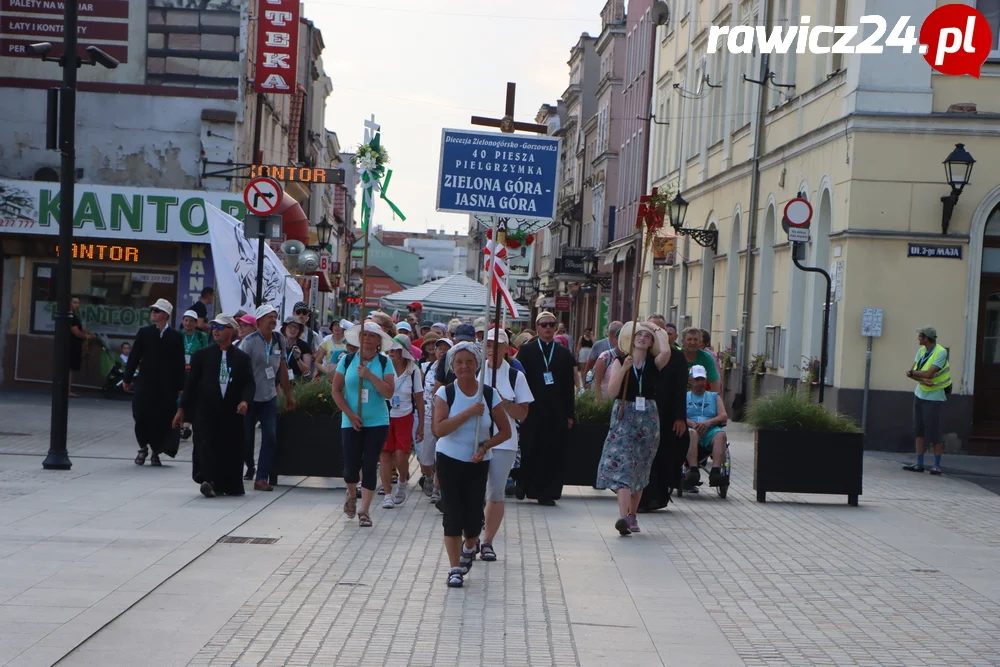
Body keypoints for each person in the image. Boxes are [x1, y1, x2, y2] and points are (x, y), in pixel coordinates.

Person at [432, 342, 511, 588]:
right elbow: (439, 429)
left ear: (477, 365)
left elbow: (505, 431)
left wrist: (485, 446)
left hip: (478, 462)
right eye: (459, 362)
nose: (464, 366)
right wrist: (467, 413)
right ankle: (454, 567)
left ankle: (470, 546)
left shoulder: (488, 394)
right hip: (449, 459)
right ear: (452, 367)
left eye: (469, 362)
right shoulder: (446, 393)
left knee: (474, 519)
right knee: (453, 514)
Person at [596, 322, 672, 535]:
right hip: (624, 414)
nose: (642, 338)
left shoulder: (654, 363)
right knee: (623, 468)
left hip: (647, 417)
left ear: (651, 343)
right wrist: (625, 369)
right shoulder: (621, 361)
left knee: (640, 469)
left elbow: (666, 350)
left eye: (647, 337)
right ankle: (623, 516)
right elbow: (611, 393)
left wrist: (655, 329)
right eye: (639, 335)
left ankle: (632, 515)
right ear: (631, 339)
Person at [173, 314, 254, 498]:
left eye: (220, 327)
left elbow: (249, 383)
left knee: (229, 447)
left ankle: (224, 484)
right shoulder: (202, 356)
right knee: (205, 445)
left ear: (231, 331)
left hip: (230, 413)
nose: (216, 331)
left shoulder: (241, 358)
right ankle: (208, 480)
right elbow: (191, 385)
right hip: (206, 411)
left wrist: (245, 401)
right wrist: (182, 410)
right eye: (214, 327)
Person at [331, 322, 396, 527]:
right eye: (364, 335)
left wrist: (369, 375)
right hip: (351, 421)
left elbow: (388, 392)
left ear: (379, 341)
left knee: (369, 464)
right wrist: (350, 414)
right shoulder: (347, 360)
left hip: (377, 421)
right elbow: (336, 390)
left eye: (372, 335)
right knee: (351, 467)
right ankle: (351, 493)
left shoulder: (385, 363)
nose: (367, 338)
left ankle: (365, 511)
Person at [480, 328, 533, 561]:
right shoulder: (474, 372)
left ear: (505, 349)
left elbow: (523, 414)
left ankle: (487, 541)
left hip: (504, 441)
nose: (492, 350)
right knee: (473, 491)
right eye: (488, 345)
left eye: (497, 345)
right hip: (474, 440)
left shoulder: (515, 376)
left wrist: (502, 403)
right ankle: (470, 537)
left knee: (495, 491)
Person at [514, 311, 576, 506]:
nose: (548, 328)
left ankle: (548, 492)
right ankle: (525, 485)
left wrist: (569, 414)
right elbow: (519, 380)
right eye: (544, 325)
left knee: (552, 451)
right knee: (530, 448)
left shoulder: (563, 353)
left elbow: (568, 386)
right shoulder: (527, 351)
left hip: (556, 411)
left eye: (551, 324)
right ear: (537, 327)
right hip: (532, 409)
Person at [239, 304, 296, 491]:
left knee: (270, 437)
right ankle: (248, 466)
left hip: (269, 396)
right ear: (259, 320)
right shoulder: (248, 342)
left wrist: (288, 395)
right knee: (246, 439)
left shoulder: (279, 340)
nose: (273, 319)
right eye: (269, 316)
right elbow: (239, 372)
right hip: (249, 398)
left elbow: (283, 368)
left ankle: (261, 477)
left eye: (275, 316)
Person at [123, 299, 186, 467]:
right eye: (152, 310)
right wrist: (127, 378)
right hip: (145, 383)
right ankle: (143, 446)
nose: (153, 313)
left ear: (165, 315)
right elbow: (134, 357)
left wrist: (181, 387)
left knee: (162, 418)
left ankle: (156, 451)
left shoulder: (175, 337)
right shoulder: (144, 333)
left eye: (157, 311)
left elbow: (179, 363)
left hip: (166, 386)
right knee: (141, 414)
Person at [639, 323, 690, 513]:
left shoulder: (676, 357)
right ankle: (641, 498)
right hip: (641, 413)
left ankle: (658, 496)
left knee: (663, 457)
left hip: (667, 415)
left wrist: (680, 417)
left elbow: (680, 388)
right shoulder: (642, 353)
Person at [382, 334, 424, 508]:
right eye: (390, 348)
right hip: (384, 415)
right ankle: (387, 494)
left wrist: (421, 425)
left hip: (405, 416)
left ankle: (401, 482)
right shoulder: (384, 366)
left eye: (396, 349)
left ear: (404, 352)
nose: (392, 352)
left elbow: (420, 399)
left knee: (401, 455)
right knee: (384, 453)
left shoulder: (413, 370)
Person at [904, 326, 951, 475]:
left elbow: (929, 374)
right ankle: (919, 463)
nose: (918, 338)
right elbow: (910, 373)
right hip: (920, 393)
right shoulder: (921, 351)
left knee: (934, 431)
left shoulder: (941, 352)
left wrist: (916, 374)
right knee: (919, 430)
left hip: (935, 395)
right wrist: (920, 376)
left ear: (926, 338)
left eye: (920, 336)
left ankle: (937, 465)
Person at [684, 365, 729, 489]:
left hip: (710, 430)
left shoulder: (714, 396)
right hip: (692, 429)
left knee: (721, 434)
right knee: (691, 433)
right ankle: (693, 470)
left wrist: (708, 422)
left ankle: (715, 472)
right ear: (690, 380)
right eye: (697, 379)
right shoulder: (684, 396)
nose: (700, 383)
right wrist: (693, 424)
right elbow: (679, 416)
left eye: (702, 380)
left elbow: (723, 416)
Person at [420, 336, 454, 502]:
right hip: (427, 415)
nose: (442, 351)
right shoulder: (426, 367)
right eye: (439, 348)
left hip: (446, 417)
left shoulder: (453, 370)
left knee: (441, 454)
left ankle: (437, 488)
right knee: (425, 457)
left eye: (446, 349)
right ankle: (427, 476)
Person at [68, 296, 93, 397]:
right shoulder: (71, 316)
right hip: (71, 345)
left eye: (78, 303)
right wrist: (86, 336)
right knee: (68, 369)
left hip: (74, 345)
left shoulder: (74, 315)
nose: (77, 305)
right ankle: (67, 390)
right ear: (69, 303)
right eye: (74, 302)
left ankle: (68, 389)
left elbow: (79, 329)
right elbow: (75, 331)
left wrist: (87, 333)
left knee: (70, 369)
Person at [681, 327, 720, 391]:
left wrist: (716, 398)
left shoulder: (706, 358)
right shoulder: (677, 356)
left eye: (695, 339)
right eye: (689, 339)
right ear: (683, 342)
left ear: (700, 342)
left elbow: (714, 383)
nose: (692, 342)